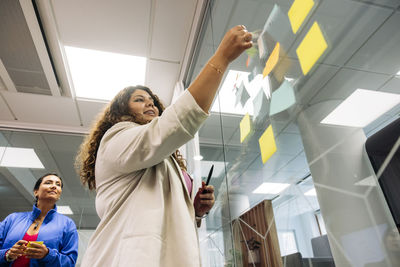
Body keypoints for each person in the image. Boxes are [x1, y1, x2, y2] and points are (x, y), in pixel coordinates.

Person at [76, 25, 252, 267]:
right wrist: (221, 58)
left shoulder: (165, 158)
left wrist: (196, 209)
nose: (150, 105)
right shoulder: (116, 137)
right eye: (139, 100)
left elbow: (166, 211)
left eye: (153, 102)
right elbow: (174, 124)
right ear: (120, 112)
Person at [0, 173, 78, 267]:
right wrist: (7, 254)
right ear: (36, 192)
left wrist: (47, 255)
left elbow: (70, 262)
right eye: (48, 183)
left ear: (59, 194)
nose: (54, 186)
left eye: (58, 184)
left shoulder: (67, 224)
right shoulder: (12, 219)